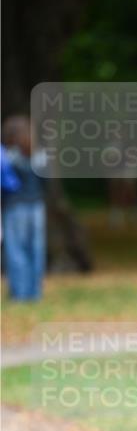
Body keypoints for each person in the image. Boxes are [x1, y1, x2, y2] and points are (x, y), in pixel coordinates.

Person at [1, 115, 47, 302]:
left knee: (16, 250)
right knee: (36, 249)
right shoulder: (40, 155)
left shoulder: (7, 156)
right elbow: (46, 182)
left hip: (15, 207)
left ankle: (19, 294)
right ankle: (34, 293)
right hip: (37, 207)